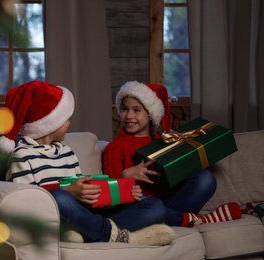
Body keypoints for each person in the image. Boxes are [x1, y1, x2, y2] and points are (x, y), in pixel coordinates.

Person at [0, 80, 175, 245]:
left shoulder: (66, 151)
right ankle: (113, 235)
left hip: (83, 216)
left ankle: (86, 232)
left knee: (155, 207)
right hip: (52, 219)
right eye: (65, 119)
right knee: (61, 197)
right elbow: (23, 200)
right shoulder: (22, 155)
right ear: (50, 124)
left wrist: (122, 191)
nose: (69, 123)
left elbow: (86, 189)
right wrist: (69, 192)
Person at [103, 81, 242, 227]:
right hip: (144, 205)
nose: (129, 115)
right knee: (147, 203)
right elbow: (110, 197)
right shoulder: (115, 148)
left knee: (206, 178)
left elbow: (174, 182)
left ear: (150, 114)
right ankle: (197, 220)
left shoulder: (164, 141)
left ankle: (166, 218)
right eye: (124, 109)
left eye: (136, 110)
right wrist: (125, 176)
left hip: (170, 202)